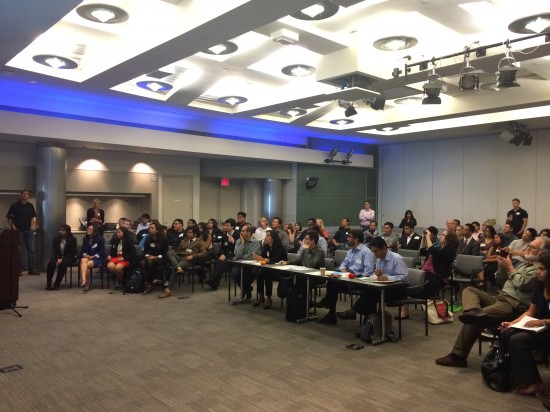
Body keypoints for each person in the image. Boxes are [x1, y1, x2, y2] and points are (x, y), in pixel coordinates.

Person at [435, 235, 550, 368]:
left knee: (475, 319)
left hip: (513, 305)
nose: (528, 248)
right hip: (500, 298)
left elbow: (523, 284)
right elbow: (501, 282)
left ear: (543, 252)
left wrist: (510, 267)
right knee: (470, 290)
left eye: (532, 247)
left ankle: (458, 356)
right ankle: (473, 312)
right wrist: (502, 267)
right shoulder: (524, 264)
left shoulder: (542, 270)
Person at [501, 255, 550, 396]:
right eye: (537, 269)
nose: (538, 272)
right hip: (541, 328)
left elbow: (539, 319)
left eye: (542, 269)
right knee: (509, 332)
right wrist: (512, 323)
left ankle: (535, 382)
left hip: (545, 327)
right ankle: (517, 377)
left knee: (519, 340)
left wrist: (543, 321)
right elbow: (530, 312)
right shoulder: (540, 287)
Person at [336, 237, 409, 324]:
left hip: (398, 290)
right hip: (383, 288)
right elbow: (380, 275)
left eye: (376, 251)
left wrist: (388, 278)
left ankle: (356, 315)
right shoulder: (379, 259)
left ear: (384, 248)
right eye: (373, 251)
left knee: (371, 294)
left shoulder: (396, 258)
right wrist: (377, 274)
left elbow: (405, 278)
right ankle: (368, 326)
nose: (374, 254)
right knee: (369, 292)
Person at [316, 229, 375, 324]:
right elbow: (343, 265)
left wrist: (354, 275)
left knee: (333, 285)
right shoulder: (350, 252)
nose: (347, 239)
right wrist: (343, 270)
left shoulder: (366, 252)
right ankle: (331, 314)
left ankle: (325, 303)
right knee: (331, 282)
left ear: (356, 239)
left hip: (359, 281)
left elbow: (368, 272)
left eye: (349, 237)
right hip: (347, 279)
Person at [397, 228, 457, 318]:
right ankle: (405, 310)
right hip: (430, 275)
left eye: (443, 235)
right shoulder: (442, 248)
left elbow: (432, 250)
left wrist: (428, 237)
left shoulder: (450, 249)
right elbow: (423, 251)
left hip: (438, 278)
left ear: (449, 238)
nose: (441, 236)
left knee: (414, 283)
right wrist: (423, 238)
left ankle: (416, 302)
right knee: (407, 281)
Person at [160, 226, 206, 298]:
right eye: (187, 232)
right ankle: (178, 266)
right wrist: (175, 254)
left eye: (190, 233)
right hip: (180, 256)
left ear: (195, 234)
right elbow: (179, 250)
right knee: (169, 253)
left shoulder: (200, 242)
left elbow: (204, 253)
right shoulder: (185, 240)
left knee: (174, 269)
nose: (188, 234)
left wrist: (193, 256)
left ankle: (168, 290)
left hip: (189, 259)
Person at [252, 230, 287, 309]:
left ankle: (268, 298)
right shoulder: (266, 246)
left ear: (273, 238)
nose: (266, 237)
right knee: (260, 274)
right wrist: (257, 257)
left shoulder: (278, 246)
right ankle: (261, 296)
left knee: (268, 275)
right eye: (266, 236)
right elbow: (263, 256)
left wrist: (263, 259)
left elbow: (276, 259)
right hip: (269, 268)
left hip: (280, 269)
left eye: (268, 236)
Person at [6, 190, 38, 275]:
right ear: (21, 195)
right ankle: (19, 270)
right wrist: (14, 228)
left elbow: (33, 217)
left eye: (27, 194)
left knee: (31, 250)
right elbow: (9, 218)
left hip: (29, 231)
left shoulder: (30, 206)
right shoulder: (15, 206)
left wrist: (33, 225)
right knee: (18, 251)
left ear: (28, 196)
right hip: (18, 231)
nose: (25, 196)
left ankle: (32, 269)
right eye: (23, 194)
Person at [206, 218, 239, 290]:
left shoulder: (237, 234)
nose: (226, 227)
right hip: (226, 254)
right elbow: (222, 248)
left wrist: (234, 242)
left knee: (223, 262)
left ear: (232, 226)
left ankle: (213, 280)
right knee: (220, 260)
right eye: (225, 225)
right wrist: (222, 254)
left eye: (228, 225)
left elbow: (240, 247)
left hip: (235, 255)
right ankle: (214, 282)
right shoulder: (224, 235)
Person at [229, 223, 261, 299]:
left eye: (243, 231)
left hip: (251, 265)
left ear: (249, 232)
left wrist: (240, 256)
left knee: (251, 274)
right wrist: (242, 242)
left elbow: (251, 256)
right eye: (241, 231)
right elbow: (236, 253)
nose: (241, 232)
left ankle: (245, 290)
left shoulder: (255, 242)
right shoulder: (238, 241)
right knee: (234, 273)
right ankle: (247, 289)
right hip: (240, 264)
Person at [45, 224, 78, 290]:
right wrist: (58, 258)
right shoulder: (56, 239)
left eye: (62, 230)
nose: (60, 231)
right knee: (51, 263)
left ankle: (56, 284)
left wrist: (62, 259)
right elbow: (55, 250)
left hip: (69, 256)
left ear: (67, 231)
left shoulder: (73, 239)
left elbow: (72, 252)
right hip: (58, 255)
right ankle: (49, 283)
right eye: (59, 230)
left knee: (63, 264)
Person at [140, 221, 168, 294]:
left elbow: (165, 253)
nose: (150, 229)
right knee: (142, 262)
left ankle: (150, 283)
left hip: (161, 258)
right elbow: (145, 251)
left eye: (152, 228)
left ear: (157, 230)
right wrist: (147, 256)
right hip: (150, 257)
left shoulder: (163, 239)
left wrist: (155, 257)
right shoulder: (148, 238)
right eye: (149, 228)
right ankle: (148, 281)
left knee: (150, 263)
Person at [79, 224, 106, 292]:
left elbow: (102, 251)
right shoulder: (85, 239)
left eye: (90, 229)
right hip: (88, 257)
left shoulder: (100, 238)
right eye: (88, 229)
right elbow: (83, 250)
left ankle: (86, 283)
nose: (88, 230)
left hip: (97, 258)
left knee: (86, 265)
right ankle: (84, 280)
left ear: (95, 231)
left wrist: (94, 256)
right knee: (83, 260)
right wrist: (85, 255)